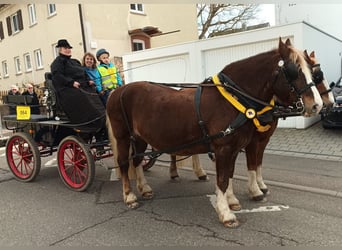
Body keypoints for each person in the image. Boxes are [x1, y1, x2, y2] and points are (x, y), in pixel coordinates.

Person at [50, 39, 106, 142]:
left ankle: (102, 120)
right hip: (67, 90)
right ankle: (92, 122)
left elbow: (84, 74)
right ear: (60, 49)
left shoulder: (74, 61)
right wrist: (71, 82)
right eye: (65, 48)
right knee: (83, 97)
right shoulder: (57, 63)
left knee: (95, 94)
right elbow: (57, 77)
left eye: (69, 48)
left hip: (82, 86)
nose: (68, 50)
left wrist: (89, 80)